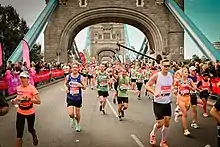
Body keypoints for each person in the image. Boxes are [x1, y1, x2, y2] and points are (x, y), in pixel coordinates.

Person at [146, 59, 173, 147]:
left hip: (167, 102)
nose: (166, 67)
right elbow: (147, 85)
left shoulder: (170, 75)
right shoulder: (157, 76)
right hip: (158, 102)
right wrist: (154, 93)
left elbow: (171, 86)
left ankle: (163, 141)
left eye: (168, 66)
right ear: (161, 66)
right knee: (160, 123)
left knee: (167, 122)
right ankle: (153, 133)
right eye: (165, 66)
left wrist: (174, 89)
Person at [11, 71, 41, 147]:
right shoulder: (18, 88)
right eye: (21, 77)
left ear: (28, 79)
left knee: (30, 129)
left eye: (24, 77)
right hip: (20, 111)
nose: (22, 79)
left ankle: (34, 135)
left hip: (30, 112)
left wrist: (29, 99)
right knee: (19, 133)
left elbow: (38, 101)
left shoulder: (32, 88)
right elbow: (19, 96)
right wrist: (14, 100)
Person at [64, 62, 86, 132]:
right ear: (71, 69)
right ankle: (72, 118)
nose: (75, 69)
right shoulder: (68, 77)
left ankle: (78, 124)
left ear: (78, 68)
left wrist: (81, 85)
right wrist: (66, 88)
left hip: (78, 98)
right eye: (73, 67)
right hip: (70, 97)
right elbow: (64, 84)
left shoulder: (81, 77)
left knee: (77, 113)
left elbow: (85, 87)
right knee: (71, 114)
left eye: (76, 67)